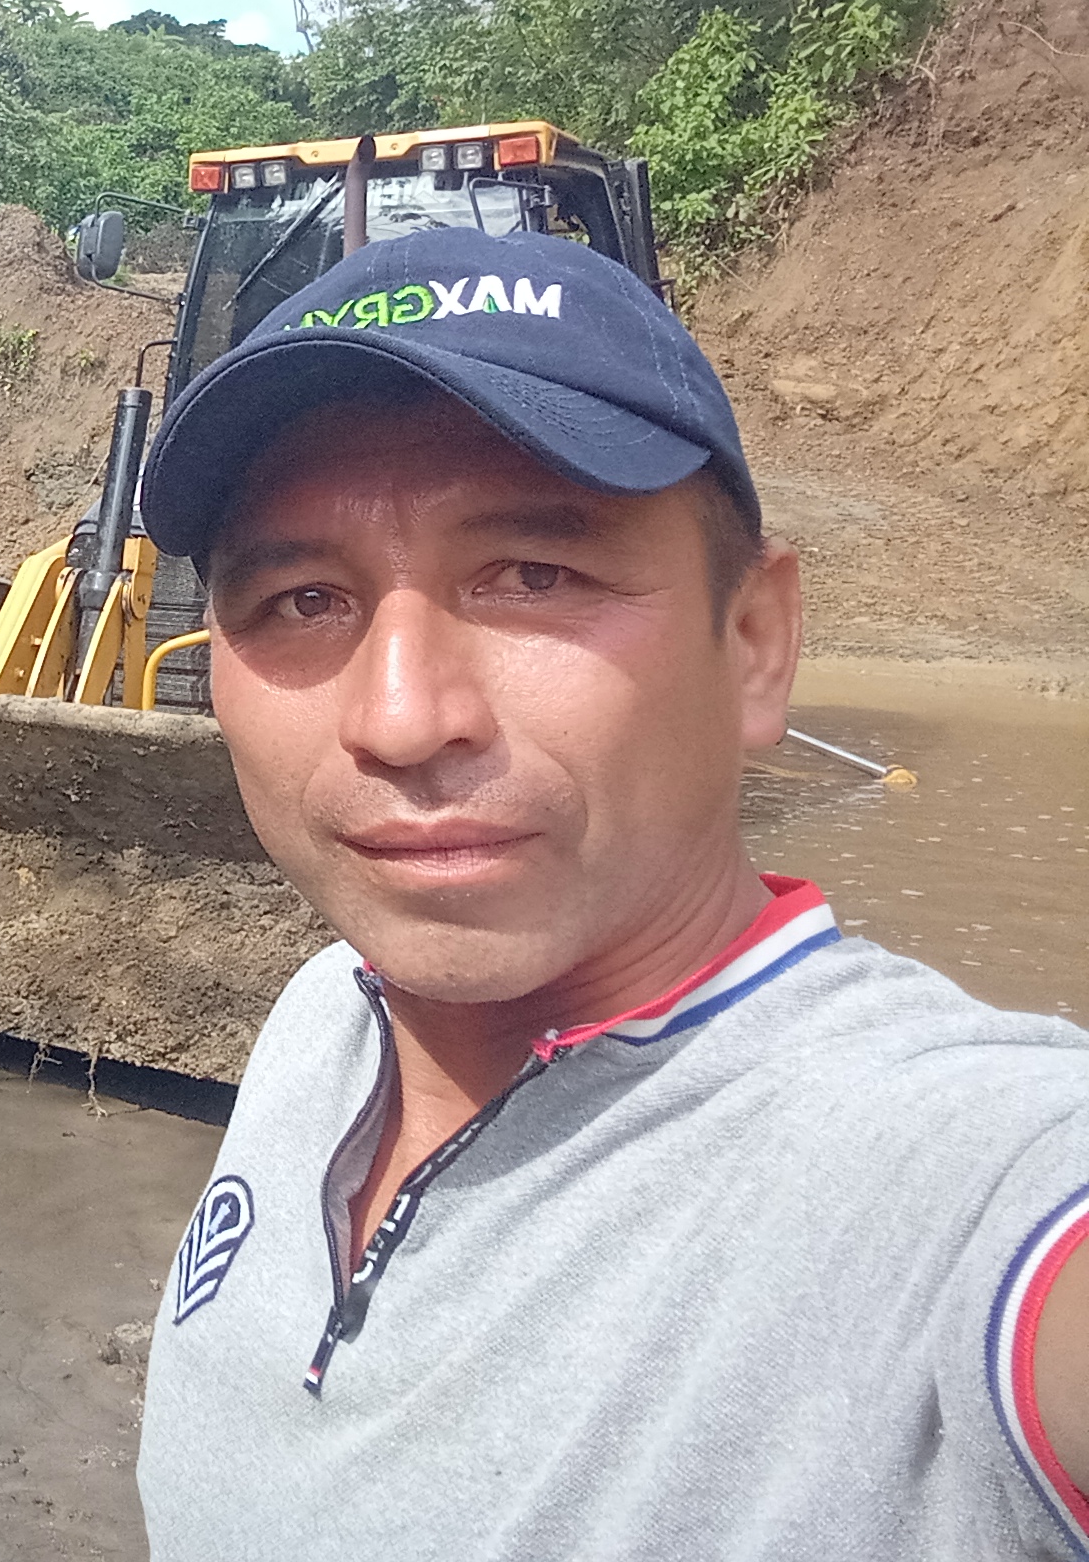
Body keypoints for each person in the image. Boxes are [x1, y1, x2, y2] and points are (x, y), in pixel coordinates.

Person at [129, 229, 1089, 1557]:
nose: (401, 718)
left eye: (534, 576)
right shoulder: (323, 1019)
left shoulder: (948, 1183)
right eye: (302, 600)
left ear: (753, 642)